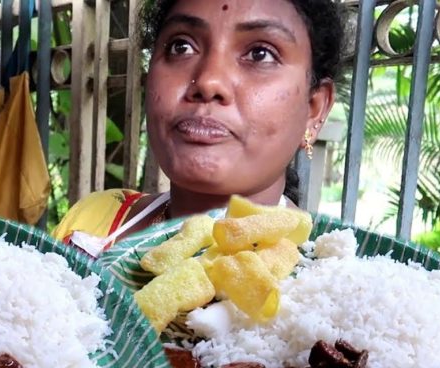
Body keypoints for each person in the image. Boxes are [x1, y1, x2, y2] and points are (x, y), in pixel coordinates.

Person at [52, 0, 344, 247]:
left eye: (260, 54)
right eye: (181, 47)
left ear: (314, 109)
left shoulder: (330, 289)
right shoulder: (91, 223)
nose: (208, 81)